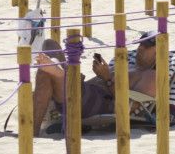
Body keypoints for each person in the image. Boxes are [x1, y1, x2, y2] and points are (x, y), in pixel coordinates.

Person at [31, 32, 160, 134]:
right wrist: (99, 74)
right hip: (83, 92)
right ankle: (59, 72)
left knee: (46, 71)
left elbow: (132, 106)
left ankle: (58, 72)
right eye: (140, 44)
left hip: (95, 103)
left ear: (158, 52)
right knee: (50, 44)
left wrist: (107, 78)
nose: (141, 48)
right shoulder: (127, 64)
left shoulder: (151, 76)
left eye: (147, 46)